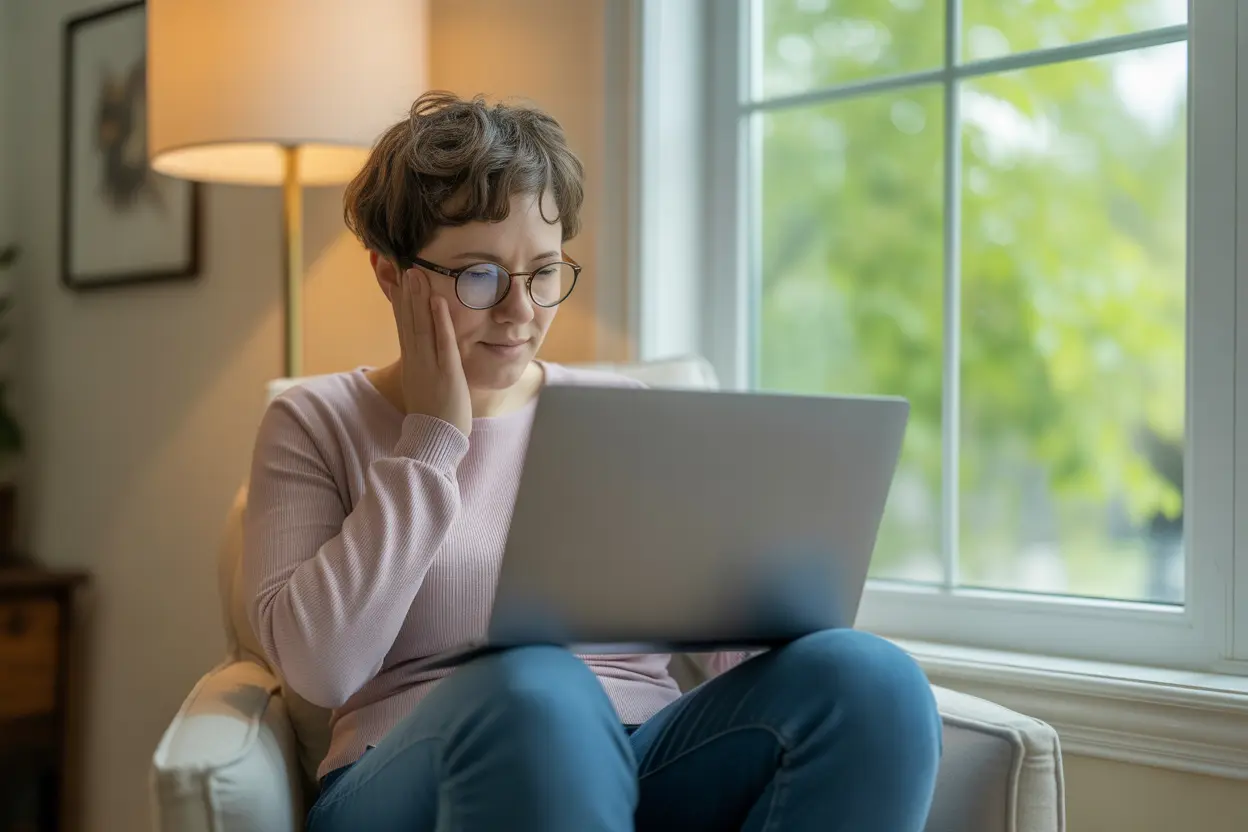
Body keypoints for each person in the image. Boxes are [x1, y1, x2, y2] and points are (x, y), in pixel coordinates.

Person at [242, 91, 942, 832]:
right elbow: (320, 669)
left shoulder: (619, 412)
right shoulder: (314, 419)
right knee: (538, 687)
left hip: (641, 757)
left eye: (544, 272)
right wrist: (432, 439)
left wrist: (780, 591)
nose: (522, 314)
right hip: (411, 774)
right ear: (390, 274)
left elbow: (726, 648)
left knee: (871, 679)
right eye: (479, 275)